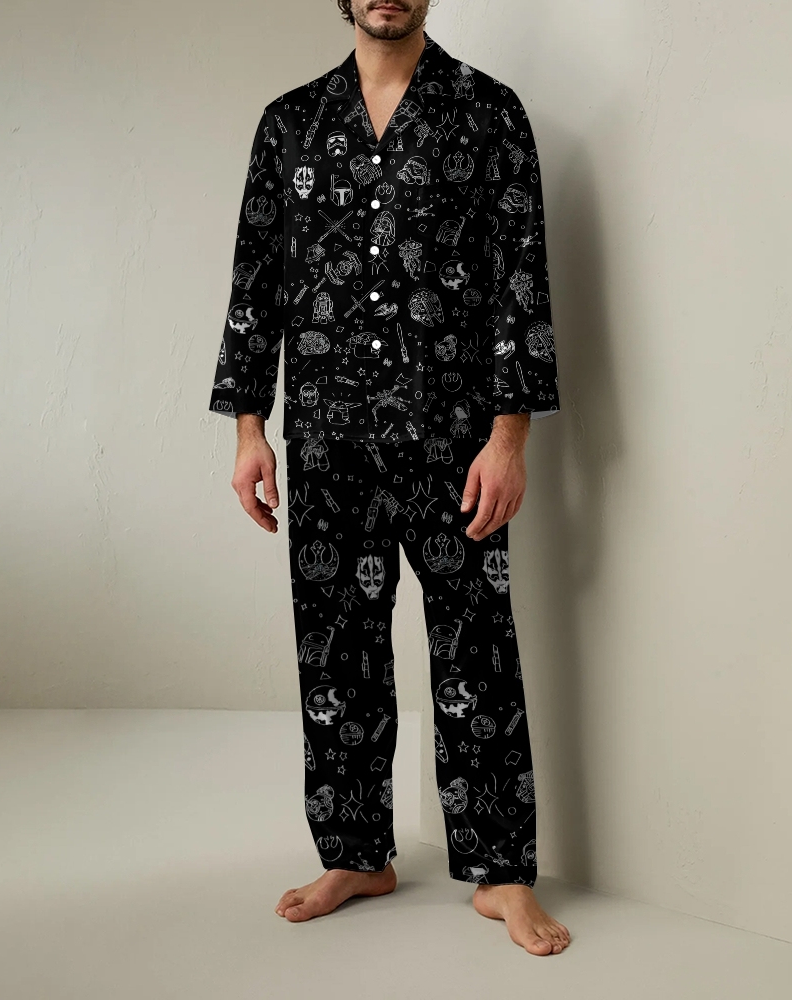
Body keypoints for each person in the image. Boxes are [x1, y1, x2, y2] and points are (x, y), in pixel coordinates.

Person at [209, 0, 570, 956]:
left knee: (476, 653)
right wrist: (250, 431)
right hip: (327, 440)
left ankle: (502, 873)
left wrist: (509, 440)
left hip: (455, 441)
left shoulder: (489, 113)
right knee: (337, 656)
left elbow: (520, 282)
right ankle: (356, 854)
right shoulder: (290, 124)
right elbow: (257, 281)